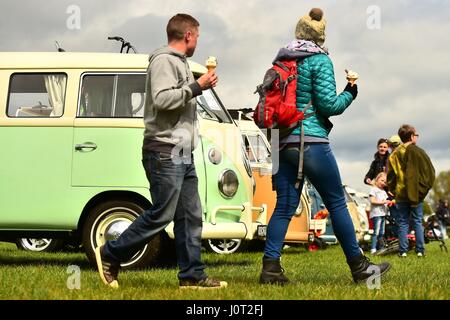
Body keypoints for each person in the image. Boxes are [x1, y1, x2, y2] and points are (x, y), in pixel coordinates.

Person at [94, 13, 227, 289]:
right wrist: (196, 87)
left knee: (190, 215)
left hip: (181, 150)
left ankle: (191, 276)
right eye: (197, 36)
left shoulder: (180, 63)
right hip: (164, 150)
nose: (198, 41)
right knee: (162, 214)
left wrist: (196, 87)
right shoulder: (164, 61)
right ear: (188, 35)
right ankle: (111, 252)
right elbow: (163, 99)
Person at [259, 8, 390, 285]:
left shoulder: (281, 61)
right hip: (310, 141)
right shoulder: (319, 60)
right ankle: (360, 268)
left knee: (284, 206)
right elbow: (329, 106)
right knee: (337, 202)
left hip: (280, 142)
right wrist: (350, 91)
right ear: (320, 36)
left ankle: (270, 268)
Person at [387, 124, 435, 257]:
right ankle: (420, 250)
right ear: (412, 136)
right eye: (416, 135)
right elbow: (428, 172)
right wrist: (422, 190)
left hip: (401, 193)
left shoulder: (393, 155)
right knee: (417, 221)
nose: (417, 137)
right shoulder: (417, 151)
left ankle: (403, 252)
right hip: (416, 193)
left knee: (402, 222)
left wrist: (392, 189)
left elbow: (390, 176)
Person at [368, 172, 391, 254]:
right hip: (376, 214)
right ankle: (373, 249)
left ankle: (380, 248)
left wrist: (389, 202)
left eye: (385, 182)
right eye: (382, 180)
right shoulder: (373, 189)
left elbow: (386, 201)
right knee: (376, 232)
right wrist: (384, 202)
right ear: (377, 179)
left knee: (382, 232)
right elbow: (372, 201)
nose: (383, 183)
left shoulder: (383, 191)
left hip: (383, 214)